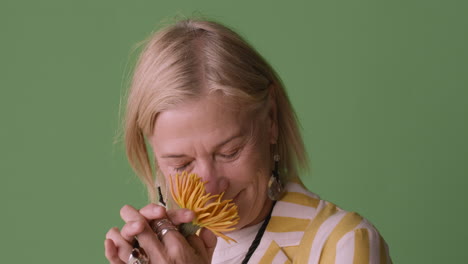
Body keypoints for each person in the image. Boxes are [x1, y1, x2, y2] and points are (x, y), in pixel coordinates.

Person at [105, 19, 392, 264]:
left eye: (230, 152)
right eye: (181, 163)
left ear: (271, 121)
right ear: (154, 155)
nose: (211, 185)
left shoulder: (343, 243)